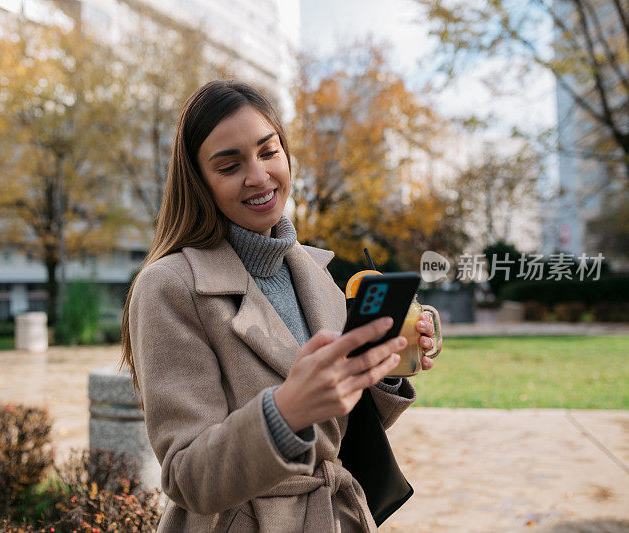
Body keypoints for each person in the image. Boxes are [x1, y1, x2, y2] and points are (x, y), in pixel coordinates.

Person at [120, 79, 442, 532]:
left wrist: (383, 365)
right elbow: (186, 475)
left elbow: (334, 434)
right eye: (230, 166)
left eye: (268, 152)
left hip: (336, 517)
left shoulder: (316, 273)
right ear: (200, 182)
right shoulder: (169, 286)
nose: (258, 175)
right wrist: (286, 411)